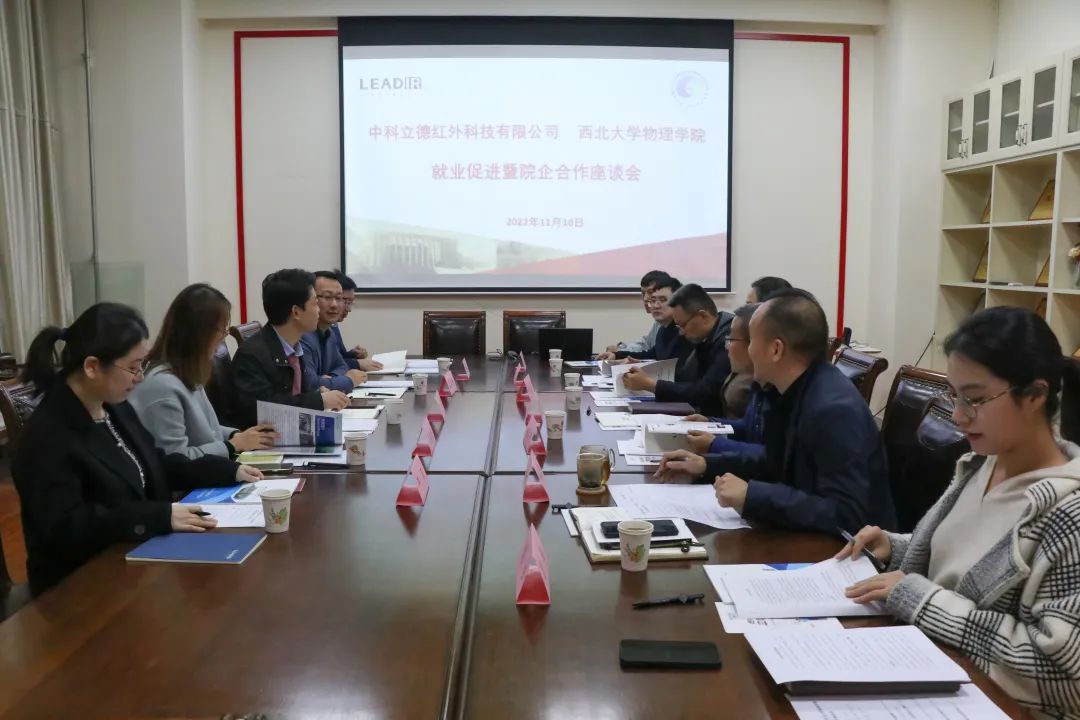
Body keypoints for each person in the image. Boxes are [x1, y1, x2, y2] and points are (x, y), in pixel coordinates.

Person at [840, 307, 1080, 720]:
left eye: (975, 399)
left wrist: (919, 599)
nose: (958, 415)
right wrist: (896, 549)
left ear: (1035, 395)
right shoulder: (982, 463)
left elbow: (1062, 677)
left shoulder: (1067, 514)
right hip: (928, 671)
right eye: (955, 395)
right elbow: (956, 563)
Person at [13, 303, 264, 594]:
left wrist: (229, 470)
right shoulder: (48, 435)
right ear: (92, 367)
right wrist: (156, 517)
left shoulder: (112, 407)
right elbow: (67, 527)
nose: (140, 377)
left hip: (138, 558)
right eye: (132, 367)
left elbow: (156, 464)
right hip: (80, 584)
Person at [655, 289, 894, 534]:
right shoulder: (790, 389)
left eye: (752, 341)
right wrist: (706, 465)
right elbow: (774, 461)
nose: (747, 351)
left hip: (845, 549)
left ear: (776, 350)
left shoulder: (834, 410)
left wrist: (752, 496)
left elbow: (849, 515)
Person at [130, 283, 279, 459]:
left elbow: (207, 430)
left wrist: (236, 435)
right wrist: (233, 445)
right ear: (199, 333)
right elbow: (176, 459)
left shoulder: (188, 374)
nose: (224, 336)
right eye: (221, 329)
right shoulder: (163, 386)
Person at [231, 269, 350, 427]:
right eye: (315, 303)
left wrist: (316, 393)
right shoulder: (252, 355)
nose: (318, 310)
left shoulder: (293, 347)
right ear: (296, 312)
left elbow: (295, 394)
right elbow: (262, 410)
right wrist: (318, 401)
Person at [621, 283, 733, 416]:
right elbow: (685, 378)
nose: (681, 332)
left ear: (702, 316)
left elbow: (706, 391)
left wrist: (651, 385)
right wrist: (647, 373)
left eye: (683, 325)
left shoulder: (728, 339)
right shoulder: (705, 336)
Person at [683, 303, 761, 458]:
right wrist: (710, 422)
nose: (726, 347)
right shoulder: (762, 385)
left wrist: (715, 444)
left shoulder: (783, 391)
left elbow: (773, 457)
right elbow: (750, 427)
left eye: (731, 339)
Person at [300, 271, 368, 393]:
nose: (334, 305)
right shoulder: (301, 335)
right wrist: (349, 380)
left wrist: (331, 378)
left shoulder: (329, 332)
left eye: (339, 298)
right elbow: (311, 384)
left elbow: (342, 366)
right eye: (327, 297)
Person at [612, 276, 690, 367]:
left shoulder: (686, 332)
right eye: (653, 300)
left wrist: (644, 369)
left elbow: (678, 370)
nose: (656, 306)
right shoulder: (663, 329)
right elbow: (651, 354)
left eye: (662, 300)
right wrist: (616, 355)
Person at [597, 270, 670, 360]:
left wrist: (619, 352)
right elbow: (646, 346)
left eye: (650, 292)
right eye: (643, 293)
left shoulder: (673, 323)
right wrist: (619, 351)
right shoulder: (659, 322)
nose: (645, 298)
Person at [334, 273, 382, 372]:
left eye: (351, 302)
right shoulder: (316, 328)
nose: (349, 309)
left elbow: (337, 358)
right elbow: (328, 367)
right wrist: (357, 363)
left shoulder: (333, 325)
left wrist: (353, 354)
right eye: (345, 301)